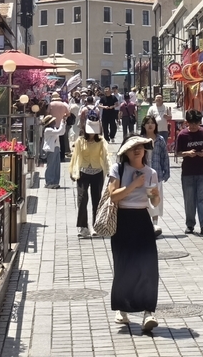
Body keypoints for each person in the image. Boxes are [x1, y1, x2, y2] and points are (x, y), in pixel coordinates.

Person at [108, 135, 161, 333]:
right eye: (133, 148)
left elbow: (154, 202)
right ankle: (122, 309)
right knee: (124, 265)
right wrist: (134, 184)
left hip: (142, 219)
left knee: (148, 265)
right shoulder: (118, 169)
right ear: (126, 152)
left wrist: (155, 196)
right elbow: (113, 196)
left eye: (140, 147)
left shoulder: (151, 172)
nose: (137, 150)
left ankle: (149, 312)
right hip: (123, 219)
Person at [69, 114, 110, 238]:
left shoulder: (101, 141)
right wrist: (72, 171)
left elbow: (106, 155)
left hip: (97, 172)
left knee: (97, 199)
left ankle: (96, 226)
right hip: (83, 172)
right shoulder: (80, 141)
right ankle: (83, 226)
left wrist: (109, 170)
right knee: (82, 199)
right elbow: (75, 157)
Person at [175, 109, 203, 236]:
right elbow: (178, 152)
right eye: (191, 123)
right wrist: (187, 153)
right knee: (189, 199)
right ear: (187, 122)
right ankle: (190, 224)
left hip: (202, 171)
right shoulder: (182, 135)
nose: (194, 126)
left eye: (196, 123)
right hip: (188, 172)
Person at [140, 115, 170, 236]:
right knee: (143, 200)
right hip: (142, 175)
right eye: (147, 123)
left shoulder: (160, 139)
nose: (150, 125)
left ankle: (155, 225)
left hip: (156, 175)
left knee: (155, 199)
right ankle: (144, 225)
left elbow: (165, 156)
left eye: (152, 123)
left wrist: (166, 172)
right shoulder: (140, 140)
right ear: (143, 125)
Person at [40, 115, 66, 189]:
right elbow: (60, 131)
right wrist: (62, 123)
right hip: (51, 149)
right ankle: (49, 182)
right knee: (51, 166)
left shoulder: (53, 129)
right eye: (53, 121)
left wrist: (63, 123)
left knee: (56, 166)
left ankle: (55, 182)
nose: (54, 122)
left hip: (56, 148)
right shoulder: (48, 130)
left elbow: (62, 132)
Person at [48, 92, 71, 161]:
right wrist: (63, 116)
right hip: (61, 124)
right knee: (62, 140)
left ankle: (54, 155)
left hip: (53, 124)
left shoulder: (51, 104)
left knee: (53, 141)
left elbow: (47, 113)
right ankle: (62, 156)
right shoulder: (63, 104)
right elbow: (68, 114)